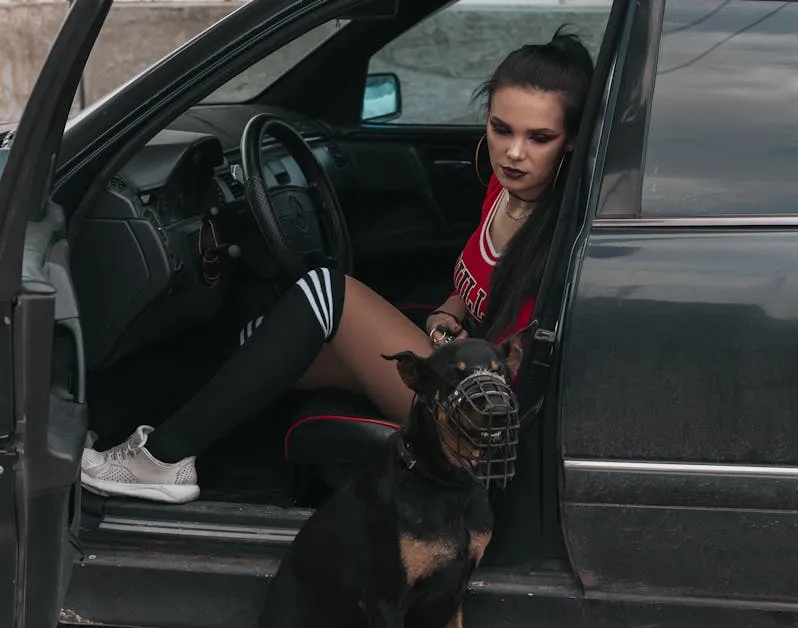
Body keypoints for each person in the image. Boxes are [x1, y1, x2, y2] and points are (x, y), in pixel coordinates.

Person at [81, 27, 596, 505]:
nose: (513, 153)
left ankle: (163, 460)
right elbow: (475, 283)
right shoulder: (504, 191)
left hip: (479, 421)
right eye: (501, 129)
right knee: (265, 332)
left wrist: (453, 351)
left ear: (570, 140)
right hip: (455, 369)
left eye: (539, 138)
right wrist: (446, 311)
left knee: (329, 294)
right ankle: (136, 429)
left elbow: (522, 374)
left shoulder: (559, 233)